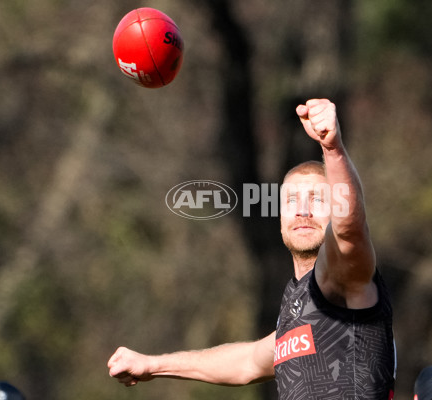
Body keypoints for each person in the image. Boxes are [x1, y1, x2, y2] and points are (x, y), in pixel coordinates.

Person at [107, 98, 397, 399]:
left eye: (318, 200)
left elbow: (349, 229)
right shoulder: (297, 304)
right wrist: (153, 365)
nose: (302, 211)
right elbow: (246, 362)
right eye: (291, 201)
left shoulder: (342, 277)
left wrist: (332, 149)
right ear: (280, 217)